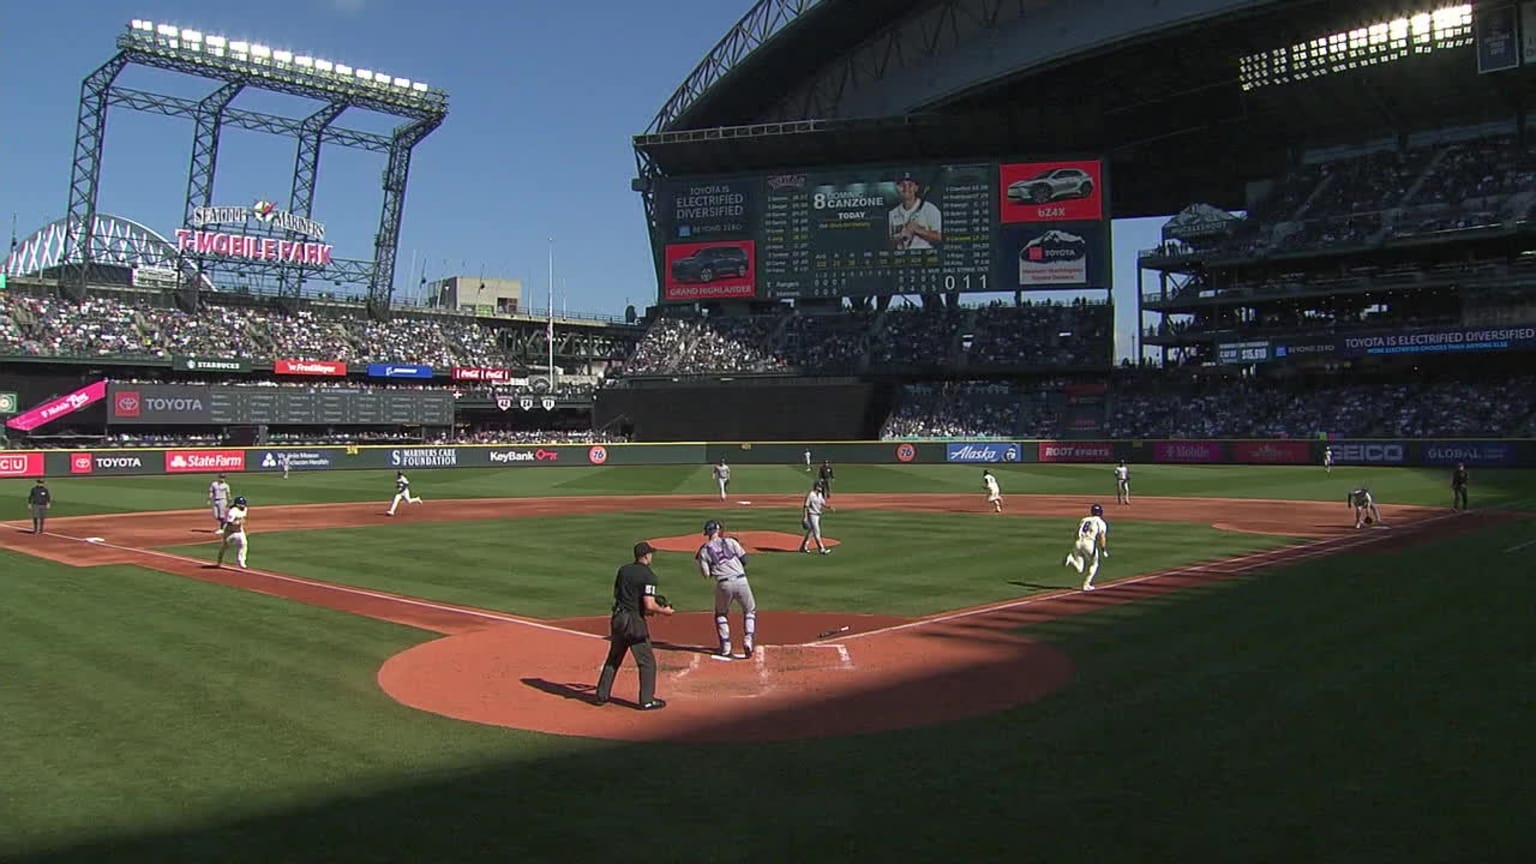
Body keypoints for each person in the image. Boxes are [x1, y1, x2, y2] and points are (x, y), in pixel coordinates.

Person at [594, 541, 674, 710]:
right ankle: (647, 700)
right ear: (646, 556)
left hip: (618, 618)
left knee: (613, 658)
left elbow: (619, 594)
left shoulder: (623, 570)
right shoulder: (649, 576)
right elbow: (649, 604)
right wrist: (664, 611)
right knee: (646, 661)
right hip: (633, 622)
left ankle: (601, 695)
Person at [697, 519, 757, 658]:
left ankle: (725, 647)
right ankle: (748, 639)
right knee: (749, 610)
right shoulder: (731, 542)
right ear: (718, 530)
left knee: (721, 614)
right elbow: (745, 560)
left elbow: (706, 575)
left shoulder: (704, 550)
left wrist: (713, 566)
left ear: (707, 533)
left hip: (723, 584)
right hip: (741, 579)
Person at [888, 170, 942, 251]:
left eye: (910, 185)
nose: (906, 188)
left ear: (916, 188)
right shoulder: (892, 213)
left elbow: (939, 237)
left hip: (925, 258)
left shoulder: (930, 209)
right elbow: (889, 242)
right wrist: (900, 237)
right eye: (902, 185)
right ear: (898, 188)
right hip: (901, 258)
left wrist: (917, 230)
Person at [1064, 503, 1109, 591]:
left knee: (1080, 568)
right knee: (1094, 564)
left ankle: (1071, 559)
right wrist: (1103, 549)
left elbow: (1076, 532)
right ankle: (1086, 584)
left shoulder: (1084, 519)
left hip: (1078, 542)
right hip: (1089, 543)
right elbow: (1102, 537)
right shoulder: (1101, 522)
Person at [215, 495, 250, 569]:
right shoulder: (233, 511)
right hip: (229, 532)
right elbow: (230, 522)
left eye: (244, 503)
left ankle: (241, 561)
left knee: (244, 544)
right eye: (242, 504)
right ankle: (219, 561)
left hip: (239, 531)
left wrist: (241, 522)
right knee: (225, 547)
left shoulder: (245, 509)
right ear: (237, 504)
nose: (243, 505)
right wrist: (239, 522)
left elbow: (243, 518)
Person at [799, 480, 833, 554]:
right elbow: (806, 506)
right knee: (817, 532)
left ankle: (803, 547)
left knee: (811, 532)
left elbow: (822, 503)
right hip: (812, 515)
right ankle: (821, 549)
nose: (821, 488)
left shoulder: (820, 494)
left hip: (818, 515)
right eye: (820, 486)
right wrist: (805, 517)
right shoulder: (811, 495)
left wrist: (829, 507)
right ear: (816, 487)